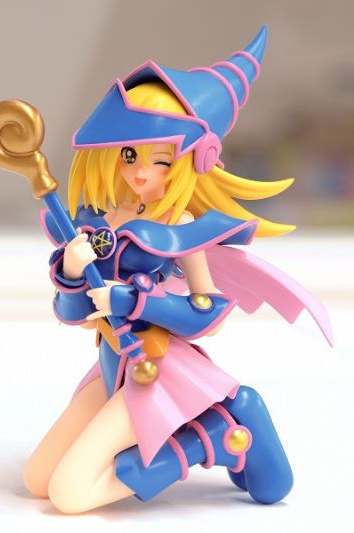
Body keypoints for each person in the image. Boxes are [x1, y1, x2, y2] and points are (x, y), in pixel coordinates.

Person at [23, 26, 332, 514]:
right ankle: (188, 436)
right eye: (130, 154)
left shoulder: (179, 226)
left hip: (156, 367)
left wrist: (131, 300)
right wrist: (73, 271)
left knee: (69, 494)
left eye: (160, 160)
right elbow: (72, 314)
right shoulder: (100, 221)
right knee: (37, 480)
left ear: (189, 161)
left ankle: (216, 435)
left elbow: (208, 310)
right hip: (114, 365)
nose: (140, 171)